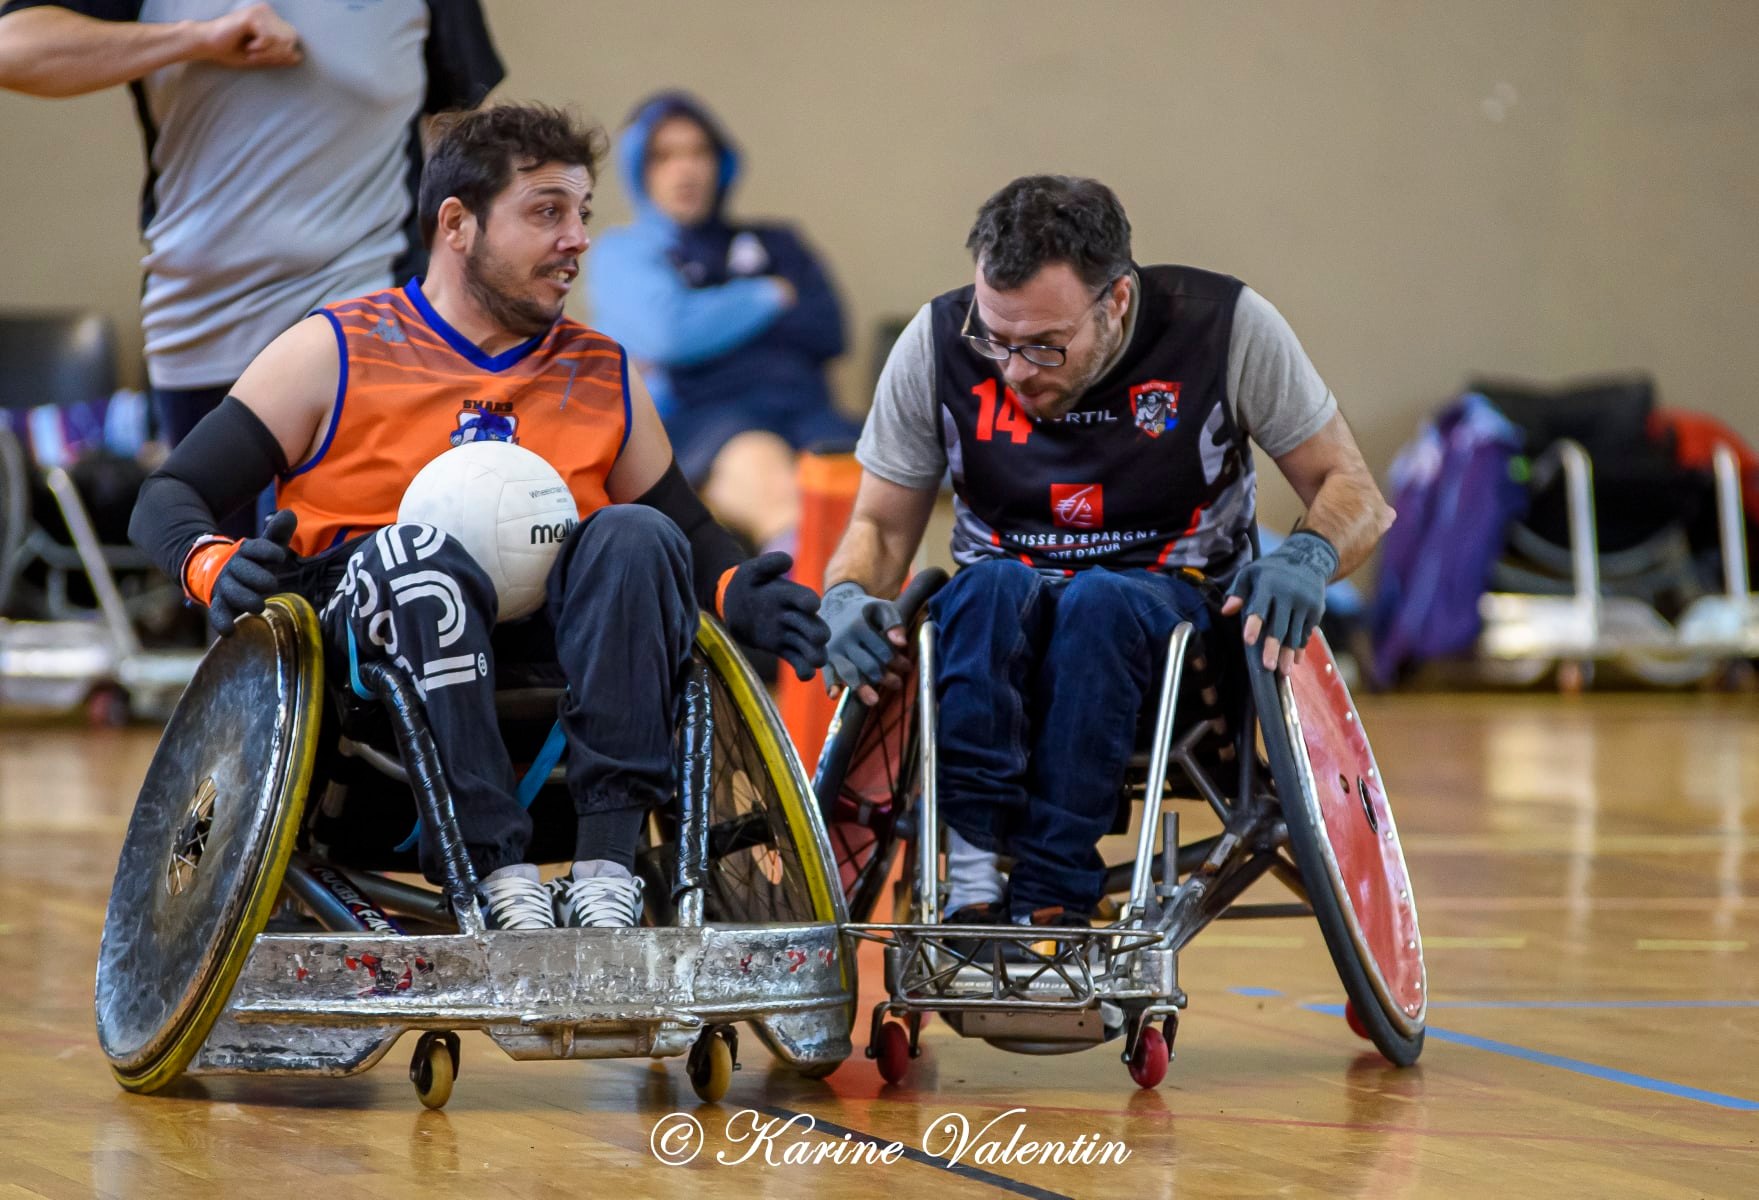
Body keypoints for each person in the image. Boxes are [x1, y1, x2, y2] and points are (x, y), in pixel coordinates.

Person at [127, 104, 830, 932]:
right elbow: (166, 499)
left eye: (581, 214)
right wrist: (212, 562)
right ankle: (492, 872)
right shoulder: (336, 347)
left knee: (637, 534)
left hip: (550, 665)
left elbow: (690, 528)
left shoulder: (600, 370)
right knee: (423, 555)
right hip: (367, 674)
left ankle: (607, 867)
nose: (577, 239)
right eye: (546, 213)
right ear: (456, 224)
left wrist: (736, 589)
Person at [818, 175, 1395, 934]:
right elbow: (882, 530)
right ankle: (971, 873)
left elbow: (1351, 490)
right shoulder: (933, 341)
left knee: (1098, 601)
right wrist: (846, 596)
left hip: (1170, 612)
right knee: (983, 592)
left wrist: (1311, 556)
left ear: (1116, 300)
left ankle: (1054, 885)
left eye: (1044, 346)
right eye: (995, 338)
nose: (1014, 368)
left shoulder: (1222, 326)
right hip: (998, 608)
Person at [0, 0, 502, 535]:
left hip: (362, 296)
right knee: (228, 587)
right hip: (202, 320)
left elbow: (453, 124)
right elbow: (14, 47)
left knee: (348, 574)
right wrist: (200, 39)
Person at [587, 90, 857, 553]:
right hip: (701, 426)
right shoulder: (623, 252)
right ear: (638, 171)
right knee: (774, 486)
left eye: (699, 152)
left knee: (875, 487)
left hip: (809, 415)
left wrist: (711, 325)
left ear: (722, 161)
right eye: (663, 156)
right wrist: (769, 294)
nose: (685, 169)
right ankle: (806, 620)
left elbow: (829, 328)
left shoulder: (778, 240)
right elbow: (669, 333)